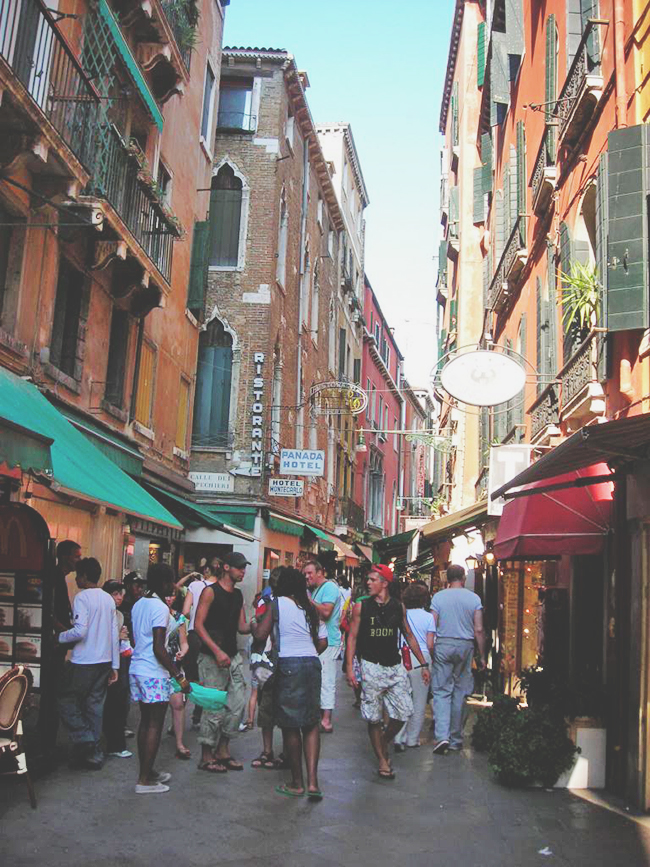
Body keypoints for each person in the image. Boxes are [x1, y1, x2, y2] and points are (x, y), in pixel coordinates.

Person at [345, 564, 430, 780]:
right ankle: (383, 760)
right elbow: (352, 637)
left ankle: (382, 741)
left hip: (394, 665)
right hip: (370, 665)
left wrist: (423, 664)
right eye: (368, 579)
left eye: (373, 579)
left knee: (404, 711)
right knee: (373, 717)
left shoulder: (398, 607)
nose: (368, 583)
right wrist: (350, 668)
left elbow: (408, 634)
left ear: (384, 583)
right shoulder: (361, 607)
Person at [253, 567, 327, 799]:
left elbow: (260, 635)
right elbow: (323, 641)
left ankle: (297, 783)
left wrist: (254, 625)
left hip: (288, 664)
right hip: (312, 664)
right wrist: (308, 655)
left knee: (290, 725)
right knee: (311, 724)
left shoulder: (277, 603)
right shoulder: (310, 607)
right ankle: (313, 783)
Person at [130, 563, 190, 794]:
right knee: (155, 723)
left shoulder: (139, 604)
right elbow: (158, 647)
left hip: (138, 668)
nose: (173, 586)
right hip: (153, 671)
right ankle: (144, 780)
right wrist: (178, 675)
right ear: (164, 583)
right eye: (171, 581)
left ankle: (147, 771)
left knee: (145, 722)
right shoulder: (159, 608)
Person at [56, 557, 119, 770]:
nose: (76, 579)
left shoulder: (82, 597)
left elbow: (80, 630)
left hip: (84, 660)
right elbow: (114, 633)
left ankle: (85, 740)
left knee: (66, 700)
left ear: (84, 576)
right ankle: (94, 754)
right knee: (94, 706)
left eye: (77, 575)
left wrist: (59, 637)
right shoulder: (108, 599)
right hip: (104, 660)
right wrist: (115, 666)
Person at [193, 551, 251, 773]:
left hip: (232, 656)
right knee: (213, 707)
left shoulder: (238, 595)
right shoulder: (210, 592)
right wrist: (216, 651)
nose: (243, 571)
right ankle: (206, 756)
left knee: (237, 704)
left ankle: (223, 750)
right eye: (239, 567)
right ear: (226, 568)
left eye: (244, 568)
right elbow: (198, 625)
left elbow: (242, 627)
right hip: (211, 658)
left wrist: (259, 622)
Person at [430, 564, 487, 753]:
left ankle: (442, 736)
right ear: (463, 578)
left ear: (447, 578)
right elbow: (479, 629)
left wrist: (431, 648)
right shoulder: (474, 599)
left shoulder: (438, 597)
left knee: (441, 691)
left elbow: (432, 625)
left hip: (443, 644)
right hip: (465, 646)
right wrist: (482, 656)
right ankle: (455, 738)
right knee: (460, 691)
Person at [39, 539, 81, 757]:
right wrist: (66, 633)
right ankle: (46, 741)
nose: (78, 560)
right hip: (54, 643)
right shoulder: (55, 577)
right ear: (65, 556)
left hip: (59, 641)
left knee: (52, 692)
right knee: (51, 692)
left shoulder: (60, 578)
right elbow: (50, 613)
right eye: (76, 556)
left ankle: (47, 738)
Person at [394, 583, 436, 751]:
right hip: (422, 657)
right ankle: (412, 739)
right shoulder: (428, 617)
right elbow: (430, 644)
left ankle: (398, 736)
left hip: (401, 655)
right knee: (419, 700)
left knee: (401, 697)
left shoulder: (400, 614)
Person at [303, 559, 342, 734]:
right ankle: (320, 716)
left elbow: (326, 612)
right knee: (319, 680)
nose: (307, 576)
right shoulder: (316, 589)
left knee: (326, 680)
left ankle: (326, 720)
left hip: (329, 641)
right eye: (305, 574)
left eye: (310, 573)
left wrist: (308, 601)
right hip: (319, 641)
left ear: (320, 572)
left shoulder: (330, 588)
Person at [101, 581, 133, 759]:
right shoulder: (103, 614)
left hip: (120, 661)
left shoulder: (119, 614)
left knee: (118, 702)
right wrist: (117, 637)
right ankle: (113, 744)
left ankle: (114, 742)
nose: (120, 597)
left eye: (121, 594)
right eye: (115, 594)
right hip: (106, 663)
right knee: (112, 704)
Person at [165, 590, 191, 760]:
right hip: (157, 667)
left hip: (175, 666)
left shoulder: (179, 617)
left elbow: (184, 642)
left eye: (172, 595)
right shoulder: (154, 613)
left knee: (178, 704)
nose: (169, 598)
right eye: (167, 595)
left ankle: (180, 744)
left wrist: (183, 652)